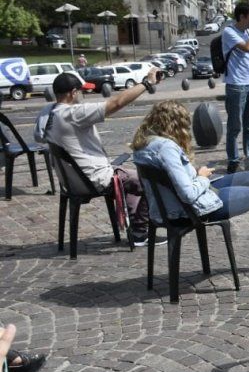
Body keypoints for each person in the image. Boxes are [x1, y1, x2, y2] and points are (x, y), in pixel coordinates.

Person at [131, 100, 249, 270]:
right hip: (192, 208)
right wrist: (202, 177)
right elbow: (187, 194)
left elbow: (175, 182)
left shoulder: (147, 144)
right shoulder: (166, 148)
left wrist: (196, 175)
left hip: (182, 203)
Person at [41, 70, 161, 246]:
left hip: (71, 182)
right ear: (73, 93)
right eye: (81, 91)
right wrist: (146, 84)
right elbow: (116, 102)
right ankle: (139, 233)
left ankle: (133, 223)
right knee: (147, 179)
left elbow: (39, 137)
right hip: (94, 179)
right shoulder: (73, 113)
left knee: (130, 176)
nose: (84, 94)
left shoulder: (48, 113)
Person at [222, 3, 249, 174]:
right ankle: (233, 161)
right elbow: (247, 47)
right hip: (236, 86)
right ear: (241, 17)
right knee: (234, 127)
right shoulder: (229, 32)